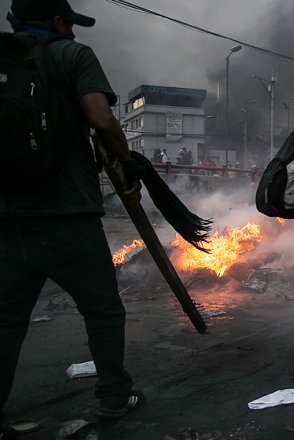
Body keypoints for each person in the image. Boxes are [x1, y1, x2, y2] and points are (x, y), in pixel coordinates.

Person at [0, 1, 145, 436]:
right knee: (102, 311)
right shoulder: (72, 55)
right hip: (68, 214)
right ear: (60, 22)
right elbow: (100, 119)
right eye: (70, 24)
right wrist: (126, 162)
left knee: (6, 322)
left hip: (8, 218)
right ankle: (115, 398)